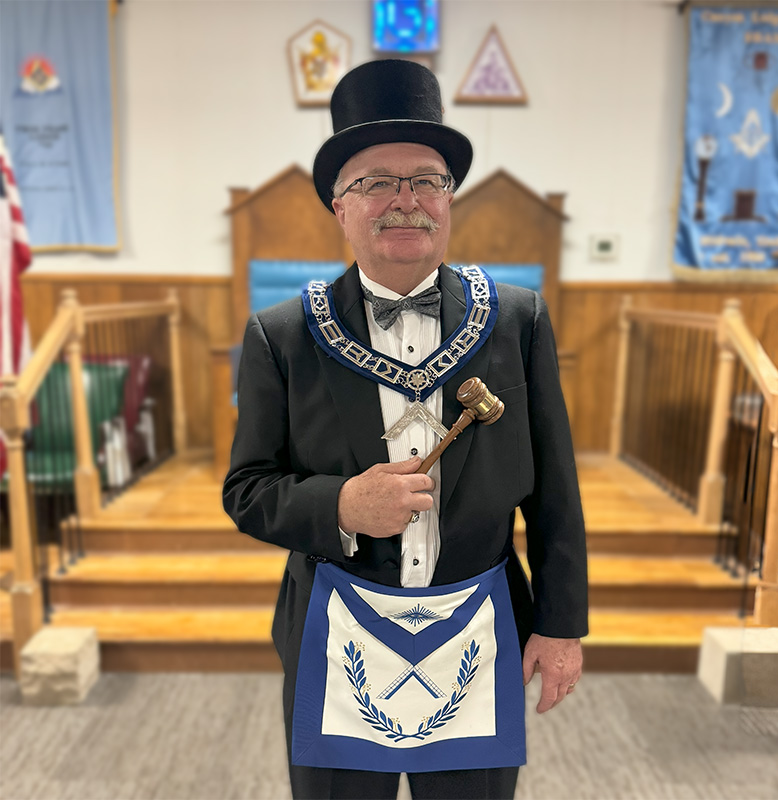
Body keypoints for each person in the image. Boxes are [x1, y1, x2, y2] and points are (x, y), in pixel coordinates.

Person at [223, 59, 588, 800]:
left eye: (426, 180)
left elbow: (556, 490)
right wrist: (339, 508)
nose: (405, 202)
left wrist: (561, 624)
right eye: (375, 183)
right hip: (336, 630)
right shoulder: (280, 336)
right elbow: (247, 490)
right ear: (340, 205)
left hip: (480, 630)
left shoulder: (518, 321)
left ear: (449, 198)